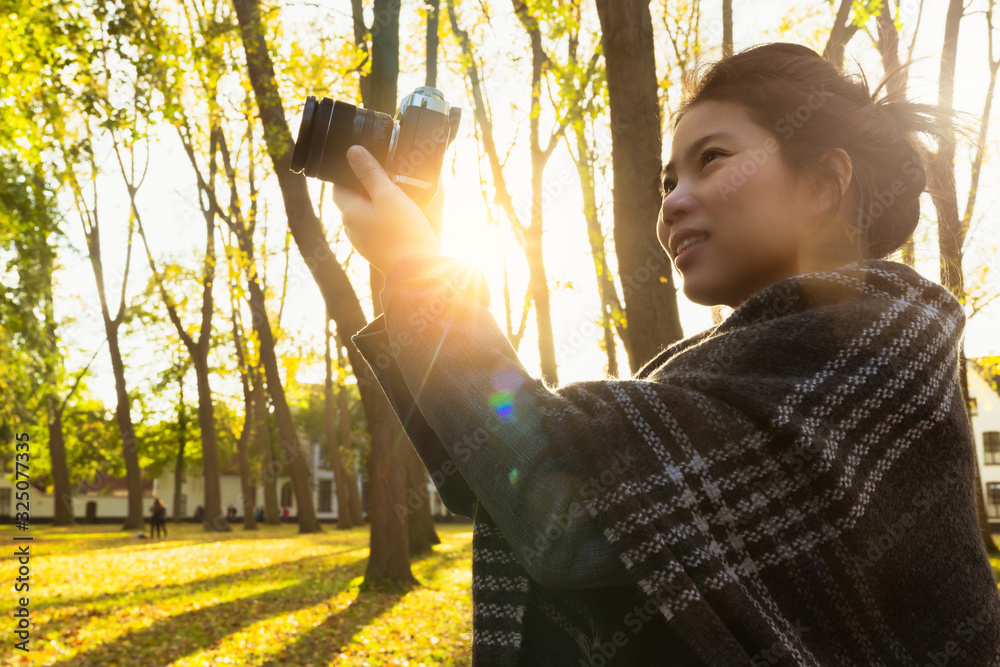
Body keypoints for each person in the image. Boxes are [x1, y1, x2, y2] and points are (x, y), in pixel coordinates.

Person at [334, 42, 999, 665]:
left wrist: (416, 269)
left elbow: (564, 518)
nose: (672, 204)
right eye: (665, 181)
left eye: (711, 159)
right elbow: (499, 477)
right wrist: (416, 275)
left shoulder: (870, 362)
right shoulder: (731, 371)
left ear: (823, 185)